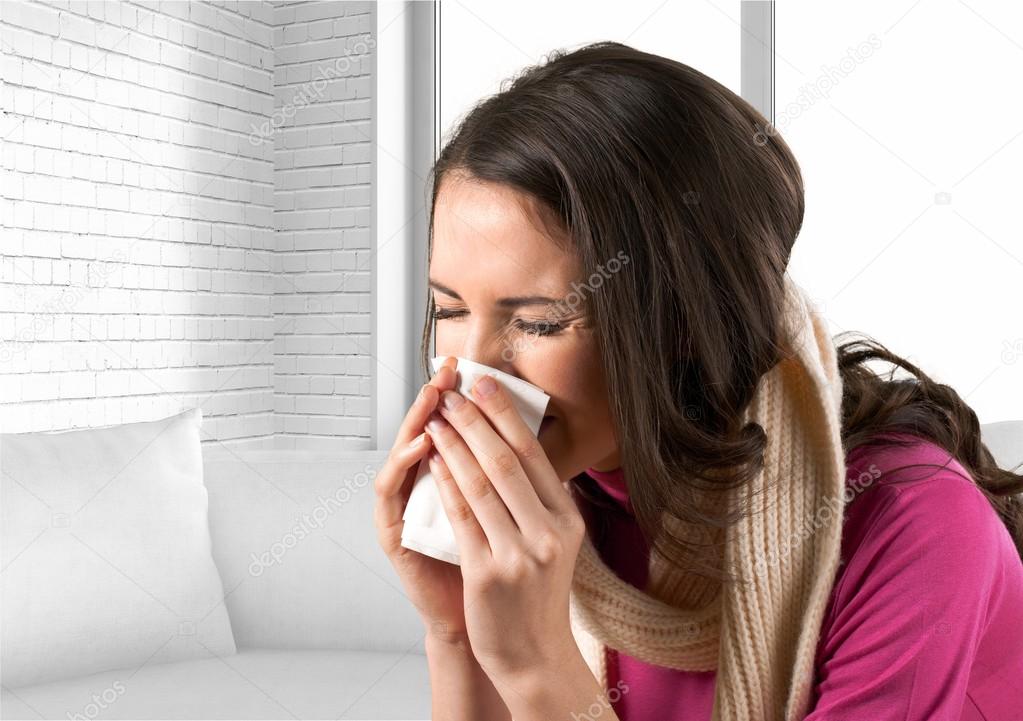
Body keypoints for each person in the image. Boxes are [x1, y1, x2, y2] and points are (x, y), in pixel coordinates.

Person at [372, 41, 1023, 721]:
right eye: (448, 310)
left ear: (687, 316)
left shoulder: (907, 518)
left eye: (538, 324)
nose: (473, 374)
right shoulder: (561, 504)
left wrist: (536, 665)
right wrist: (456, 632)